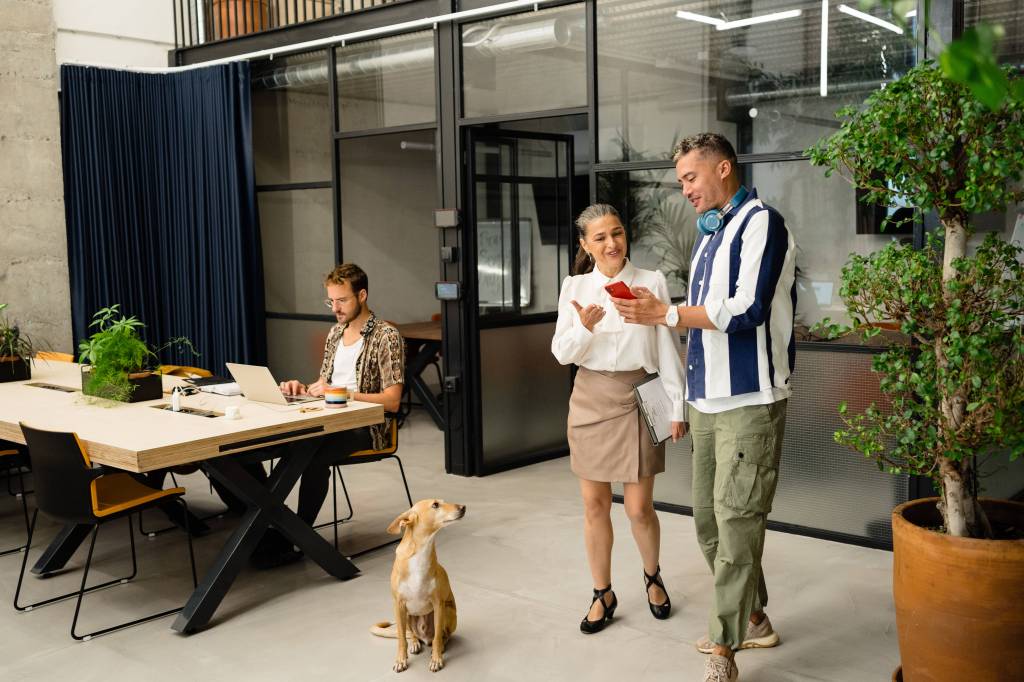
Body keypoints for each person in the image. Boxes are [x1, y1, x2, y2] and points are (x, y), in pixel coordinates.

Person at [613, 133, 795, 682]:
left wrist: (665, 314)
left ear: (723, 168)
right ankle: (755, 617)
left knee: (738, 521)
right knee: (711, 523)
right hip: (709, 402)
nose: (685, 189)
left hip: (751, 399)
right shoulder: (710, 236)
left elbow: (744, 310)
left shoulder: (763, 222)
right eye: (681, 181)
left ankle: (725, 651)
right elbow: (703, 326)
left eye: (691, 178)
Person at [551, 203, 686, 635]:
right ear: (585, 246)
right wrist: (584, 327)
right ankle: (602, 592)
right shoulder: (575, 286)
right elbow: (561, 354)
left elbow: (667, 349)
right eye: (601, 237)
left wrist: (677, 406)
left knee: (639, 508)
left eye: (617, 233)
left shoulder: (651, 282)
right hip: (591, 399)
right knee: (593, 505)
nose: (612, 244)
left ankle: (652, 576)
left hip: (641, 396)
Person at [252, 263, 404, 568]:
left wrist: (342, 393)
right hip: (329, 419)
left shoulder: (386, 336)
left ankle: (298, 535)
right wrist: (302, 388)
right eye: (330, 301)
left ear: (362, 295)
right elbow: (324, 384)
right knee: (283, 446)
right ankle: (268, 525)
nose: (335, 308)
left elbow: (392, 402)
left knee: (311, 452)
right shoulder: (335, 334)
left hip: (368, 426)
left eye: (342, 300)